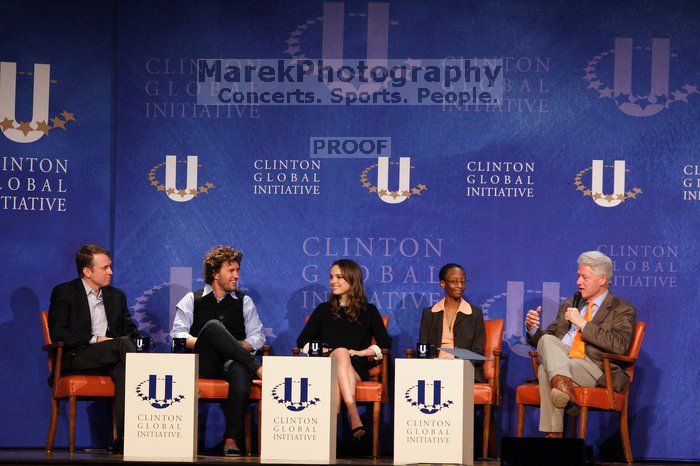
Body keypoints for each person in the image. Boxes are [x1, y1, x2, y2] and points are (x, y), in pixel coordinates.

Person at [524, 251, 636, 437]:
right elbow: (549, 340)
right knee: (545, 345)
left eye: (585, 277)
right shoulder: (571, 302)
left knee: (545, 369)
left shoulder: (621, 309)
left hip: (596, 368)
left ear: (602, 279)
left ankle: (554, 435)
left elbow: (619, 345)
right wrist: (532, 329)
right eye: (578, 276)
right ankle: (563, 388)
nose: (578, 282)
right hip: (564, 363)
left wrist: (582, 323)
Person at [171, 245, 265, 456]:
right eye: (231, 271)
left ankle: (231, 439)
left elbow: (258, 337)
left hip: (230, 363)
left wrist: (231, 347)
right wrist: (208, 342)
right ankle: (257, 368)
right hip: (203, 362)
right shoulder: (192, 299)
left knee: (240, 371)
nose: (237, 276)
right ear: (215, 273)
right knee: (213, 326)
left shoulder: (244, 302)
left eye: (237, 270)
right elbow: (177, 335)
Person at [48, 244, 139, 454]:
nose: (111, 272)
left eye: (110, 267)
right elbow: (58, 333)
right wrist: (95, 339)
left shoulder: (117, 296)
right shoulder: (64, 292)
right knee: (123, 346)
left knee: (125, 368)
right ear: (87, 272)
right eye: (105, 268)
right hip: (77, 356)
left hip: (111, 358)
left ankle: (125, 439)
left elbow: (129, 330)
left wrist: (137, 339)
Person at [296, 259, 391, 439]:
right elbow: (302, 341)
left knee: (341, 354)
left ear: (352, 280)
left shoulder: (368, 311)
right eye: (331, 277)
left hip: (355, 368)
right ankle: (353, 413)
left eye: (339, 277)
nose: (333, 281)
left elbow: (384, 344)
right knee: (339, 352)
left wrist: (359, 352)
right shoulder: (323, 310)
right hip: (325, 368)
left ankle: (329, 436)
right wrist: (325, 351)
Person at [418, 263, 486, 382]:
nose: (460, 285)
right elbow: (423, 348)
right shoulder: (429, 313)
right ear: (443, 283)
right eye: (454, 282)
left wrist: (457, 366)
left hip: (465, 372)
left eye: (463, 281)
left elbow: (478, 352)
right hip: (434, 371)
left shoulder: (475, 313)